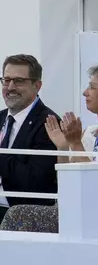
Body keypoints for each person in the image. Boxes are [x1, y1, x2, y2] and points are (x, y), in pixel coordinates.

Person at [0, 62, 98, 233]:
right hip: (73, 208)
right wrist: (62, 147)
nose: (85, 92)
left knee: (16, 214)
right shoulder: (88, 132)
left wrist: (75, 143)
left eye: (92, 87)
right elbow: (65, 181)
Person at [0, 55, 58, 222]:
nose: (10, 87)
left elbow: (35, 180)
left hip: (20, 214)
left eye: (18, 81)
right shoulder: (1, 118)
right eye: (6, 80)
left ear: (37, 86)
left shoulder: (48, 124)